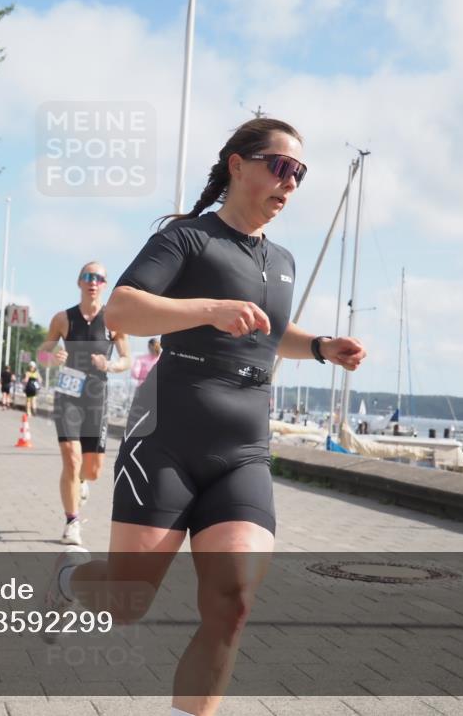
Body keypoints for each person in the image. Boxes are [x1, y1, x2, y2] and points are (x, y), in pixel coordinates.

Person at [41, 119, 367, 716]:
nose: (289, 181)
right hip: (167, 441)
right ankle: (69, 579)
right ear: (237, 165)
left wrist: (319, 346)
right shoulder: (189, 239)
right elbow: (123, 310)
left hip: (243, 452)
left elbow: (266, 331)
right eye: (279, 165)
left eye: (299, 172)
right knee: (127, 602)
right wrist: (209, 309)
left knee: (232, 603)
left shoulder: (285, 261)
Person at [38, 262, 130, 546]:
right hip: (67, 393)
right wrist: (52, 359)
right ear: (79, 282)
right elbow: (41, 353)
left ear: (105, 285)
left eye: (99, 278)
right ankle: (72, 521)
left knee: (92, 469)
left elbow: (127, 360)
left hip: (96, 397)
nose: (93, 282)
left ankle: (82, 483)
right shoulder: (63, 319)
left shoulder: (114, 321)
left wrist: (110, 365)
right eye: (88, 277)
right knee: (71, 457)